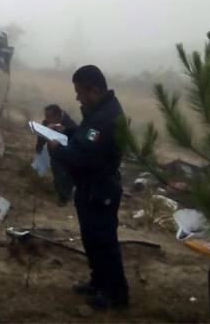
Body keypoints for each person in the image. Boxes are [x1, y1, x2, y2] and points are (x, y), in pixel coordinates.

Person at [47, 65, 129, 309]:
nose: (77, 98)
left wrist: (58, 150)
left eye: (80, 93)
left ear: (93, 90)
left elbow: (85, 158)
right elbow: (85, 140)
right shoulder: (99, 111)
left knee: (104, 243)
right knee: (91, 241)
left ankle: (116, 294)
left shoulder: (105, 118)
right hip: (90, 189)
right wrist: (69, 131)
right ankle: (98, 282)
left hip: (100, 190)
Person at [34, 104, 77, 206]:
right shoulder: (46, 122)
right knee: (58, 174)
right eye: (46, 116)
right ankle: (63, 198)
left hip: (68, 154)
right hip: (55, 154)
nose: (46, 119)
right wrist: (39, 146)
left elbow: (76, 139)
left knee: (69, 176)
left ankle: (67, 192)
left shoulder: (69, 124)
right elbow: (41, 135)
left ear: (57, 116)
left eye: (49, 117)